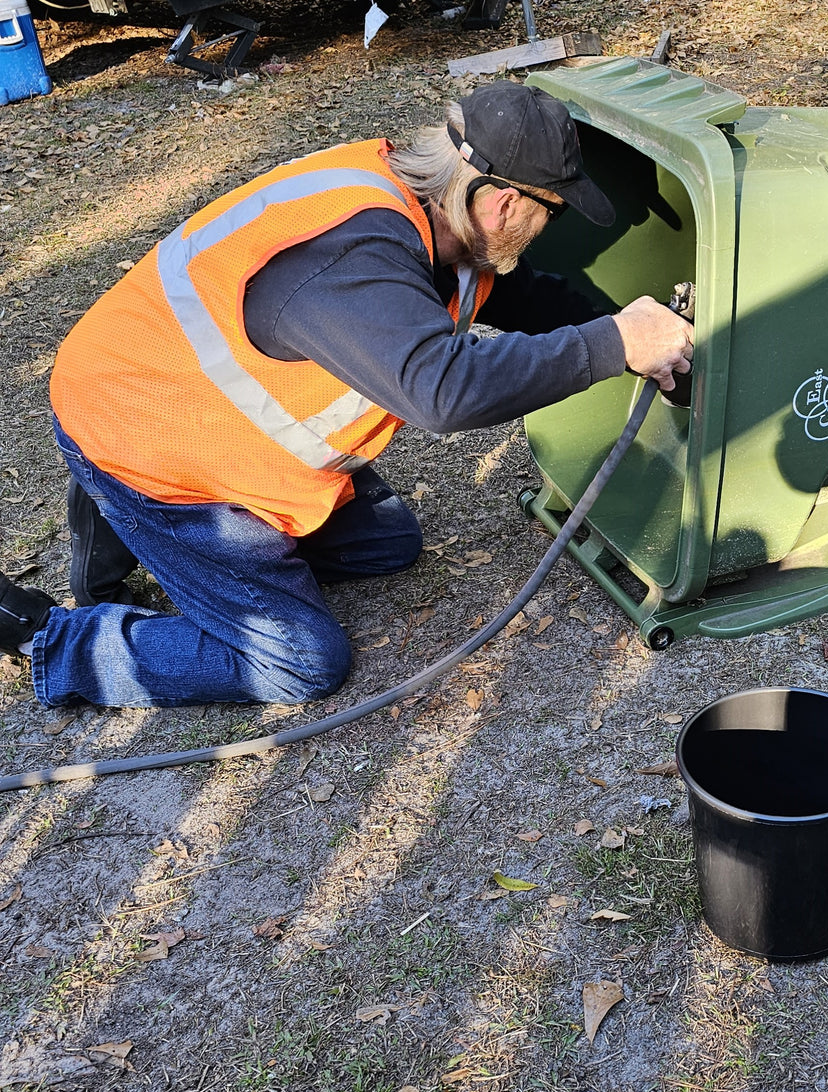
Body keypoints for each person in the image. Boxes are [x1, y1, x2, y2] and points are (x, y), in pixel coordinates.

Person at [0, 81, 693, 707]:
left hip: (185, 416)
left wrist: (642, 330)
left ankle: (128, 524)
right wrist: (611, 344)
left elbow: (525, 296)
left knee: (386, 545)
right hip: (147, 437)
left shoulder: (432, 218)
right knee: (298, 661)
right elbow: (442, 392)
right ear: (505, 202)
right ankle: (51, 638)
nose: (552, 227)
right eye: (554, 211)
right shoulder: (348, 257)